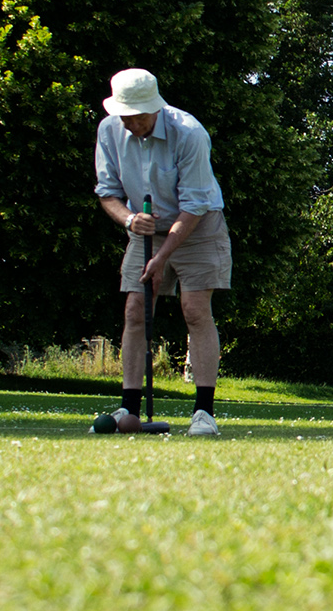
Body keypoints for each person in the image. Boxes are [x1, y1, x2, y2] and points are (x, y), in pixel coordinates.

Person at [92, 68, 231, 437]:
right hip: (147, 229)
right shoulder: (109, 130)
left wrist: (163, 256)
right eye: (126, 115)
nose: (132, 123)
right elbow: (107, 191)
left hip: (198, 224)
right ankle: (129, 408)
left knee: (195, 309)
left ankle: (204, 413)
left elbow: (195, 204)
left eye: (138, 116)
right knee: (136, 309)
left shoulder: (188, 133)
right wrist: (128, 220)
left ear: (155, 108)